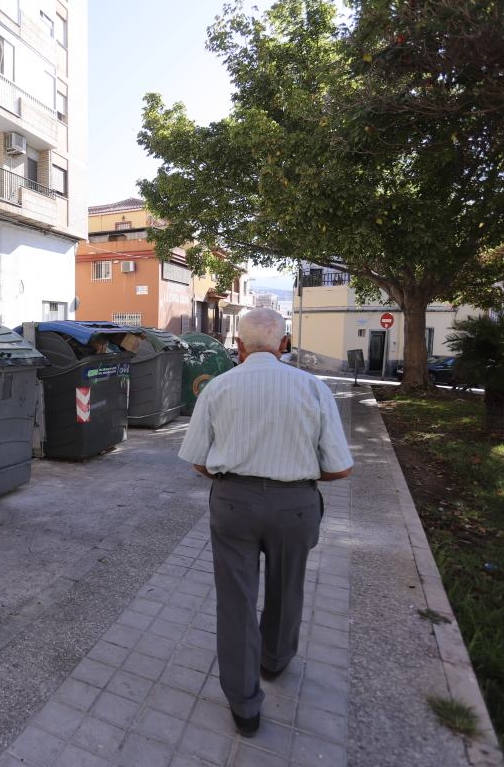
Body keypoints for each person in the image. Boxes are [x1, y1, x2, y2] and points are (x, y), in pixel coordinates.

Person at [178, 307, 353, 737]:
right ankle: (274, 661)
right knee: (287, 585)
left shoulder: (218, 388)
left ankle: (244, 704)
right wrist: (299, 475)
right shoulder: (313, 389)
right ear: (284, 344)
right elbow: (340, 468)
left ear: (238, 346)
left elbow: (199, 461)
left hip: (233, 504)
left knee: (235, 600)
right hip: (295, 505)